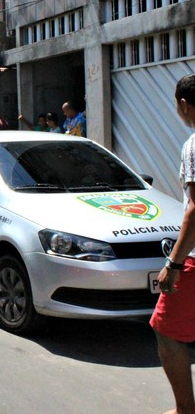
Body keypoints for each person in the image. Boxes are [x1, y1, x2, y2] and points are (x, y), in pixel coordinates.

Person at [150, 74, 195, 414]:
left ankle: (184, 408)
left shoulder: (193, 144)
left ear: (183, 104)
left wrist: (174, 265)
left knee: (165, 328)